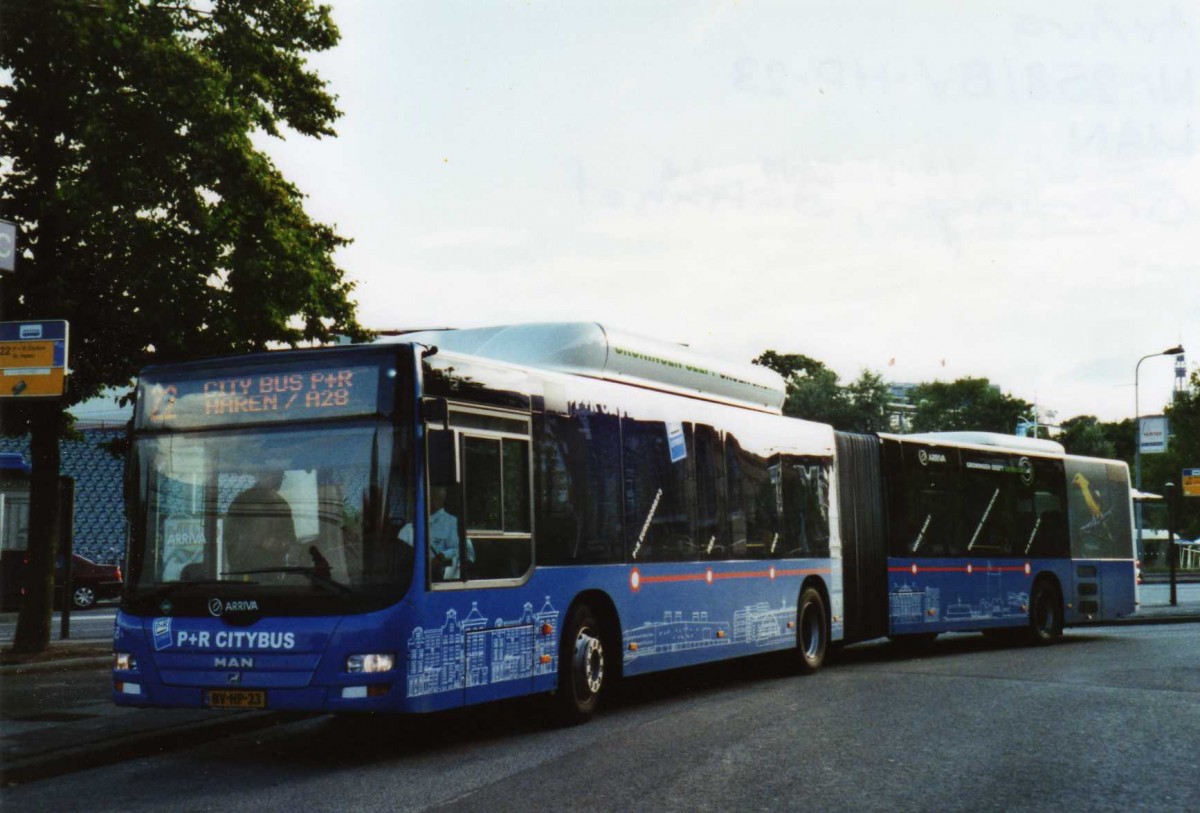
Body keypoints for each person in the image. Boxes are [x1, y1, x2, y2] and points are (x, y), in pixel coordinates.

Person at [224, 470, 297, 574]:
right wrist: (260, 543)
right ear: (259, 475)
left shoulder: (282, 505)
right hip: (244, 573)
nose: (278, 479)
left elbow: (290, 540)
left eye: (281, 475)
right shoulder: (244, 501)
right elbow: (231, 539)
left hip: (273, 574)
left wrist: (281, 545)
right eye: (273, 474)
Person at [398, 486, 474, 580]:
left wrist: (443, 556)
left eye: (433, 496)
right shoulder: (407, 529)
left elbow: (469, 554)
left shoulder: (453, 523)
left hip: (443, 584)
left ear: (441, 499)